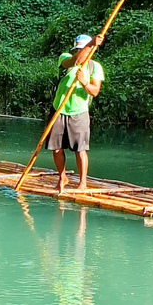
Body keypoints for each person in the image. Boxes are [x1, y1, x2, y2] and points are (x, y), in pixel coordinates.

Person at [46, 33, 105, 193]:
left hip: (79, 112)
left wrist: (84, 82)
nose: (81, 52)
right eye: (78, 49)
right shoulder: (65, 58)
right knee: (56, 147)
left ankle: (83, 183)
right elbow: (75, 61)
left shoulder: (95, 67)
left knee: (80, 149)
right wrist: (91, 43)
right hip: (59, 109)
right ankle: (62, 176)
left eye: (84, 48)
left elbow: (94, 91)